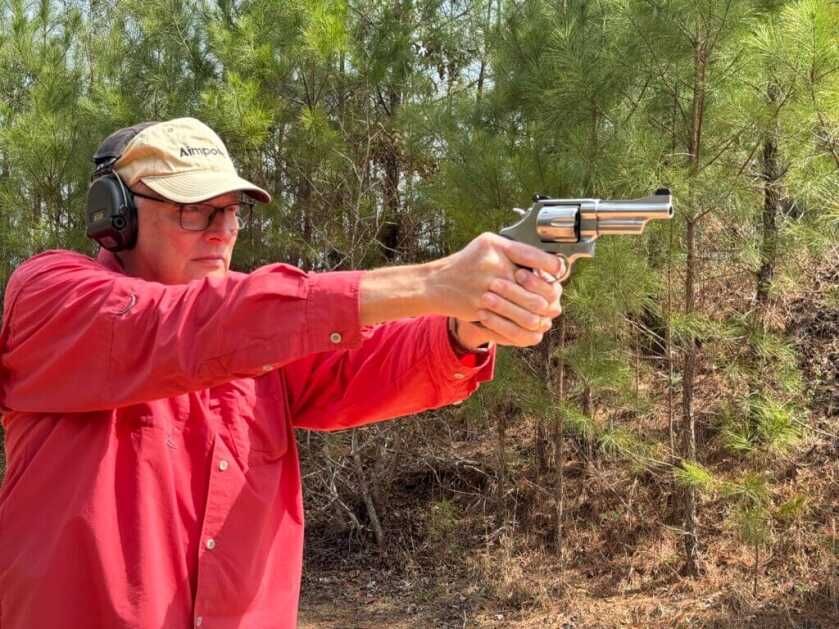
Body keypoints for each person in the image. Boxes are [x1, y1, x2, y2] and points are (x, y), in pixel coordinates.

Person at [0, 118, 563, 628]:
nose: (221, 231)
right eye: (194, 211)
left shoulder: (257, 331)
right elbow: (178, 328)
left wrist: (468, 325)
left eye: (231, 212)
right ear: (116, 216)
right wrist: (432, 282)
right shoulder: (50, 296)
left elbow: (363, 363)